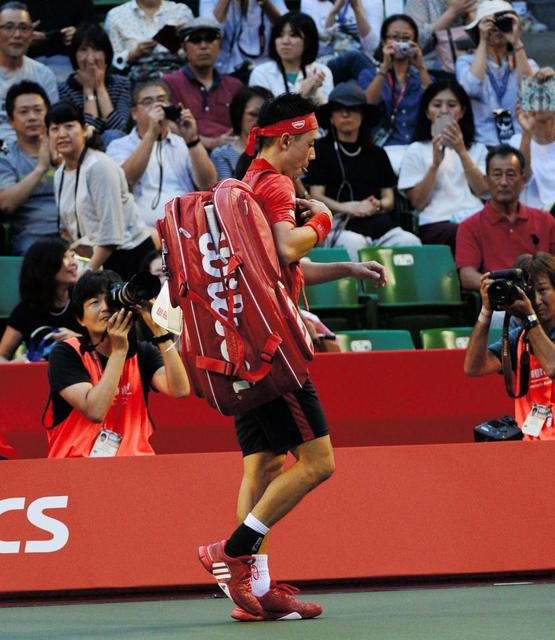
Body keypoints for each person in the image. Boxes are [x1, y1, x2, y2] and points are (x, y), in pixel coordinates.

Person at [197, 92, 387, 622]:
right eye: (308, 144)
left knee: (261, 466)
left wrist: (348, 269)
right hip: (273, 352)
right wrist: (324, 219)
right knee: (319, 462)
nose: (312, 155)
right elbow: (287, 248)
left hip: (236, 345)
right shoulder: (277, 184)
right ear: (286, 139)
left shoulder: (239, 186)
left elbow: (280, 271)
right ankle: (232, 551)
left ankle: (255, 594)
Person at [45, 269, 190, 458]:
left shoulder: (143, 352)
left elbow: (180, 390)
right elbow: (95, 410)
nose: (105, 307)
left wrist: (161, 333)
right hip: (77, 468)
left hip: (134, 466)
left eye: (110, 300)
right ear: (80, 319)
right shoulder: (66, 353)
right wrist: (119, 351)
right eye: (95, 302)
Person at [305, 82, 421, 261]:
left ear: (363, 115)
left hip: (377, 223)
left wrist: (376, 205)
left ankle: (405, 289)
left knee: (410, 241)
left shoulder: (377, 153)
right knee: (355, 243)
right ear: (330, 116)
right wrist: (348, 207)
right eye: (339, 109)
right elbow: (316, 195)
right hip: (338, 224)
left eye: (353, 109)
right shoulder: (320, 149)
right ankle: (359, 290)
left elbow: (389, 199)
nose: (346, 114)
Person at [48, 102, 154, 279]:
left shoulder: (99, 167)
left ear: (83, 130)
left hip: (128, 258)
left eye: (69, 126)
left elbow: (111, 238)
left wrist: (84, 276)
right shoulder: (60, 174)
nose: (62, 134)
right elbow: (66, 231)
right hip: (91, 258)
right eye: (54, 128)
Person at [464, 251, 555, 440]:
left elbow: (553, 366)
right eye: (530, 293)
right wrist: (486, 311)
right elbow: (474, 367)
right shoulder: (520, 338)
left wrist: (528, 317)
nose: (536, 300)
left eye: (543, 290)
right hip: (530, 449)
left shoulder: (528, 326)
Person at [106, 79, 216, 227]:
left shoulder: (183, 143)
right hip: (143, 232)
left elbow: (209, 185)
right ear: (134, 113)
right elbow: (125, 181)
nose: (157, 106)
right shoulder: (119, 146)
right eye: (147, 102)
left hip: (188, 227)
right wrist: (151, 135)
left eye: (161, 100)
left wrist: (192, 139)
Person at [397, 79, 488, 252]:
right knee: (462, 233)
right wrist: (434, 165)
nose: (444, 111)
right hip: (436, 222)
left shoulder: (477, 149)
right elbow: (417, 202)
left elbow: (482, 190)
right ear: (427, 112)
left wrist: (462, 152)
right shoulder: (416, 150)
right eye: (437, 105)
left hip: (475, 218)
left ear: (462, 111)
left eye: (452, 105)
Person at [456, 144, 555, 291]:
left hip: (541, 299)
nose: (503, 182)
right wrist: (502, 288)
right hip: (499, 302)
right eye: (497, 174)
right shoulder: (469, 226)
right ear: (486, 180)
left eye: (510, 174)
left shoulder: (545, 221)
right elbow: (467, 276)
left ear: (523, 180)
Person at [359, 14, 432, 174]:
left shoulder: (423, 75)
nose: (400, 44)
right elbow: (367, 105)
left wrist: (421, 67)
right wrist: (384, 68)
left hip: (418, 147)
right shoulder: (370, 74)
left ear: (415, 43)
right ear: (384, 41)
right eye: (394, 38)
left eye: (406, 38)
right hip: (384, 148)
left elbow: (436, 104)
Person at [456, 0, 536, 147]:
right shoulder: (466, 63)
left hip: (520, 142)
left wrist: (516, 41)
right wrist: (483, 40)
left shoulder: (526, 63)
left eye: (503, 23)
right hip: (482, 143)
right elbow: (471, 88)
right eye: (491, 24)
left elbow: (532, 94)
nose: (497, 29)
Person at [163, 17, 243, 151]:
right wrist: (211, 143)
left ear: (219, 45)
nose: (203, 46)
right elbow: (166, 124)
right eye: (195, 39)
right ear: (184, 48)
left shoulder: (235, 86)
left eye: (210, 38)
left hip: (230, 153)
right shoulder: (169, 83)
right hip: (184, 153)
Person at [0, 238, 81, 363]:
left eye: (73, 256)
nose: (74, 263)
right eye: (65, 257)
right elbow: (2, 356)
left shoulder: (84, 302)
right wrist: (15, 364)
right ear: (45, 266)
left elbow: (105, 347)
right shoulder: (25, 310)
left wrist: (78, 340)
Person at [0, 80, 57, 255]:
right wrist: (40, 168)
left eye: (38, 110)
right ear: (11, 121)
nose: (32, 117)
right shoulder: (7, 157)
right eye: (24, 112)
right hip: (31, 237)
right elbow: (5, 204)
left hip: (72, 231)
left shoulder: (66, 148)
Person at [58, 23, 132, 147]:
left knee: (113, 135)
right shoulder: (64, 90)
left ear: (106, 54)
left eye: (97, 49)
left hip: (117, 153)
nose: (90, 58)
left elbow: (120, 129)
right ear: (74, 55)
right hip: (81, 152)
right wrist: (88, 90)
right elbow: (87, 134)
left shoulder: (122, 83)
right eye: (83, 50)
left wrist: (100, 87)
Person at [0, 1, 58, 144]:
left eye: (24, 28)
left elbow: (52, 124)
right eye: (9, 27)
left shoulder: (44, 74)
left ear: (32, 34)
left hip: (33, 150)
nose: (17, 34)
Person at [248, 12, 334, 105]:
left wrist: (315, 96)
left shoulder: (321, 72)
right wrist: (301, 95)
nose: (285, 41)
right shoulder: (261, 73)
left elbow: (327, 115)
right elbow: (263, 117)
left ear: (308, 40)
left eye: (293, 35)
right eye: (279, 35)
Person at [104, 0, 194, 82]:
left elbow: (193, 53)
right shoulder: (116, 16)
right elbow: (111, 62)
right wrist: (133, 54)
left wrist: (175, 44)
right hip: (136, 77)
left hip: (177, 71)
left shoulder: (181, 11)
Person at [201, 0, 287, 77]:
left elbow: (287, 28)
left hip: (264, 69)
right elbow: (208, 34)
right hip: (226, 70)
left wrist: (265, 3)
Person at [510, 67, 555, 212]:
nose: (540, 103)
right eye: (534, 96)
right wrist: (526, 132)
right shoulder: (517, 140)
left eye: (546, 95)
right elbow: (523, 176)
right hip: (537, 214)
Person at [25, 0, 97, 83]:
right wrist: (24, 35)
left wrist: (78, 34)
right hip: (27, 58)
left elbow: (92, 30)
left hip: (67, 59)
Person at [211, 85, 272, 180]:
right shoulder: (222, 154)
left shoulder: (280, 148)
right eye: (254, 114)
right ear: (238, 115)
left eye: (266, 115)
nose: (260, 121)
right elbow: (227, 191)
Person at [405, 0, 476, 71]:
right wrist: (452, 12)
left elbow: (484, 36)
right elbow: (415, 43)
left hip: (472, 67)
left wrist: (469, 15)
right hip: (431, 71)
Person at [301, 0, 381, 60]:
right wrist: (334, 11)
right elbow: (320, 46)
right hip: (327, 62)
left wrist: (357, 8)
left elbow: (372, 46)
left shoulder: (371, 2)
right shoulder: (310, 2)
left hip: (361, 61)